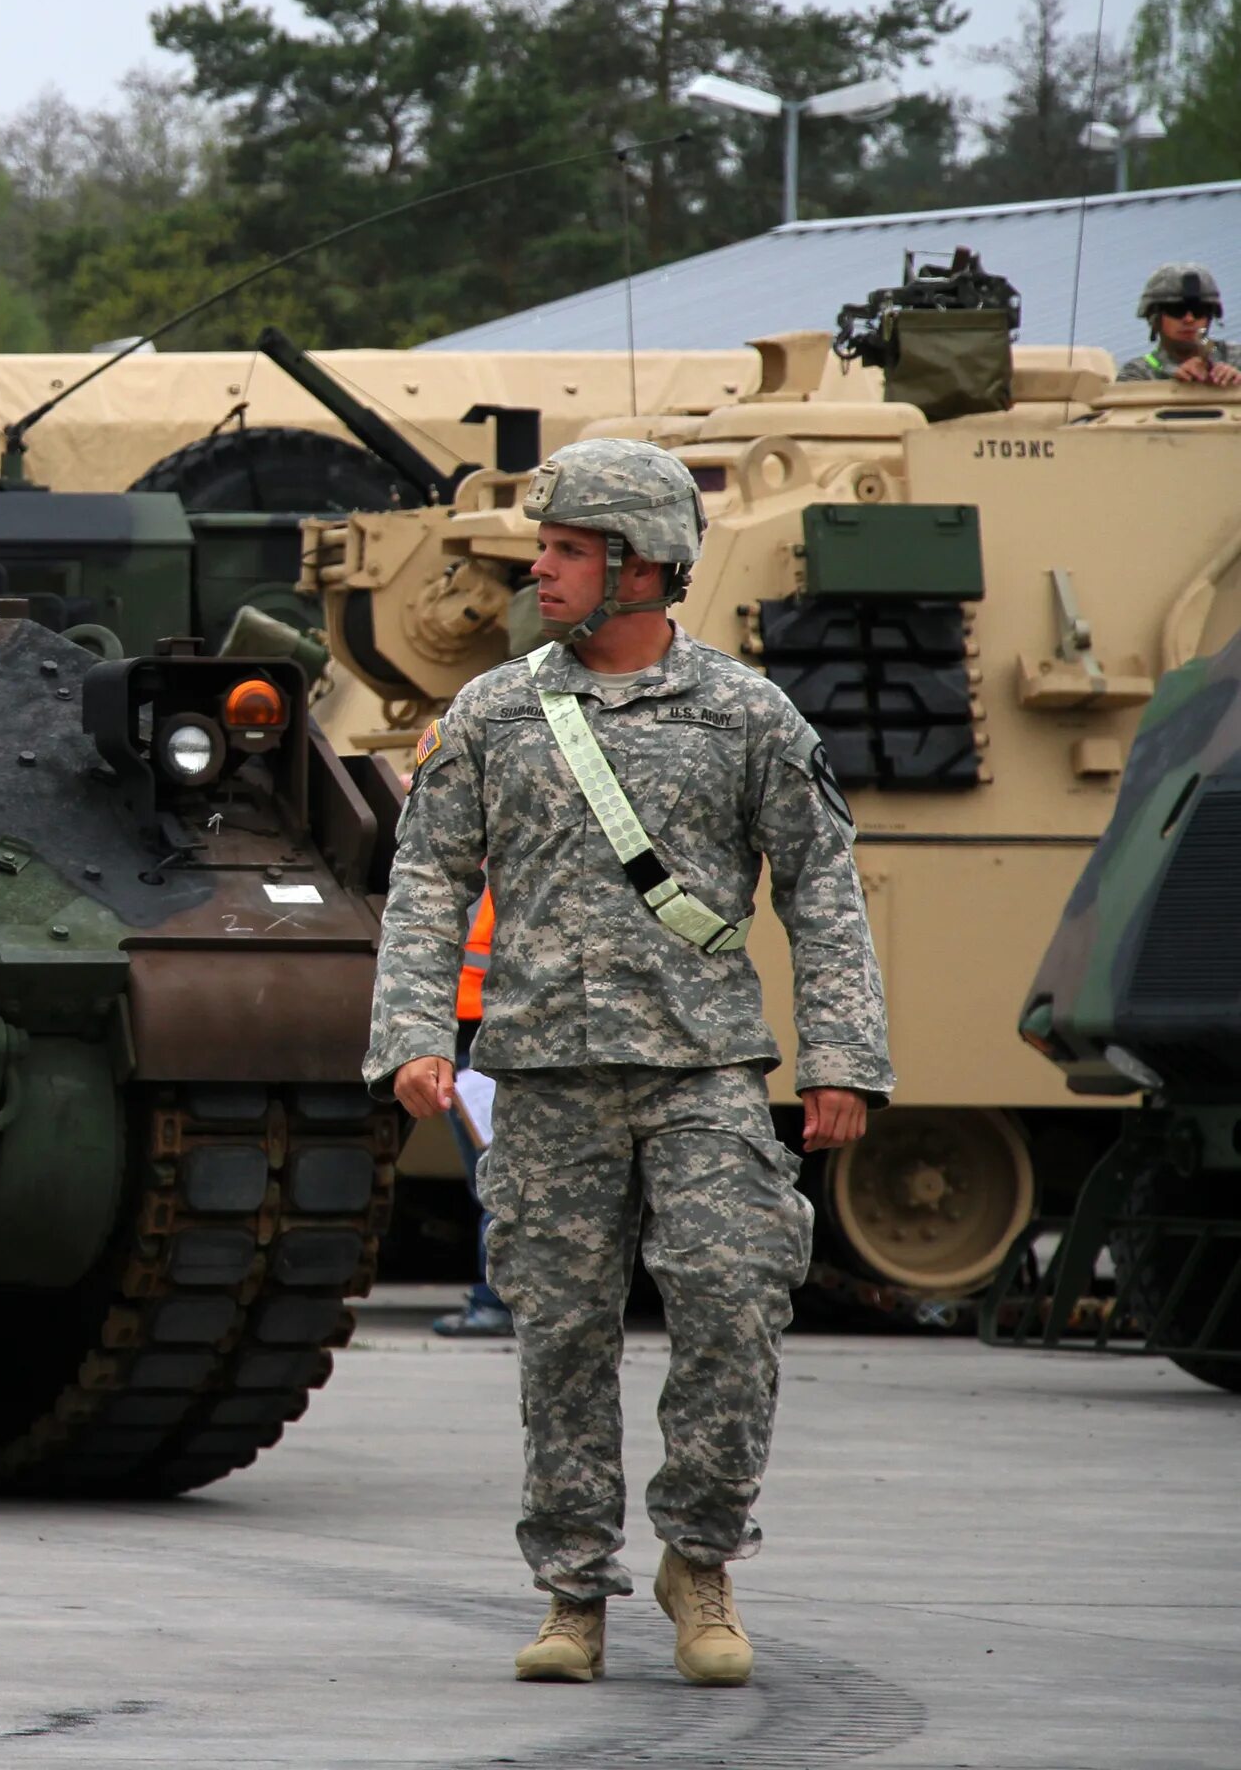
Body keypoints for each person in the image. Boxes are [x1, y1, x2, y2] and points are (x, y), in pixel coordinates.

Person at [363, 437, 890, 1690]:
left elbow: (823, 889)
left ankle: (699, 1561)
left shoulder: (748, 714)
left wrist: (843, 1059)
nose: (538, 570)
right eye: (544, 548)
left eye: (565, 550)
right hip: (543, 1069)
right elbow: (427, 881)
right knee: (561, 1334)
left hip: (703, 1064)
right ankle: (572, 1592)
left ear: (641, 569)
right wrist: (414, 1034)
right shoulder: (494, 713)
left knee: (734, 1299)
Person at [431, 888, 514, 1339]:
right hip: (479, 1026)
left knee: (494, 1174)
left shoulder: (484, 869)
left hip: (480, 1028)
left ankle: (494, 1301)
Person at [1119, 263, 1240, 386]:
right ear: (1155, 317)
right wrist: (1175, 381)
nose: (1189, 319)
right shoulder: (1136, 373)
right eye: (1177, 310)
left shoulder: (1235, 357)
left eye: (1199, 310)